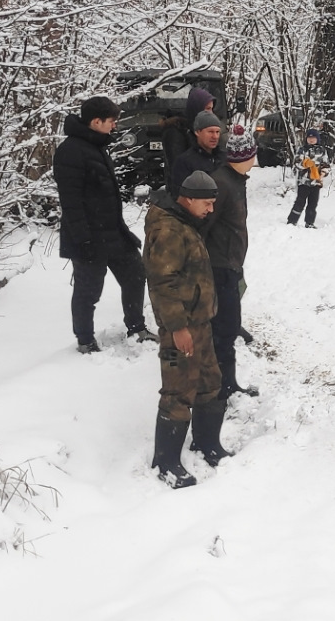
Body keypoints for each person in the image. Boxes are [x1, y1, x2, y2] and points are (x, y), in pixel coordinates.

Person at [165, 111, 261, 402]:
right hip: (219, 268)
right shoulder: (222, 185)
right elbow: (201, 227)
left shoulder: (235, 179)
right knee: (224, 330)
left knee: (227, 328)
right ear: (244, 157)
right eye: (253, 155)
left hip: (229, 264)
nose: (256, 159)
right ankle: (221, 388)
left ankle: (226, 383)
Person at [143, 170, 229, 488]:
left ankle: (206, 444)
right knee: (178, 391)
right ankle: (165, 462)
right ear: (188, 198)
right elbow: (163, 283)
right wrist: (177, 327)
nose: (210, 210)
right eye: (206, 203)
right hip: (180, 327)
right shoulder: (168, 229)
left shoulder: (184, 221)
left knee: (210, 382)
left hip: (199, 323)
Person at [52, 96, 153, 354]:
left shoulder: (97, 145)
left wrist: (121, 229)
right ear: (96, 122)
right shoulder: (71, 151)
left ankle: (137, 327)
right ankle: (85, 341)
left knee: (135, 274)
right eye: (111, 121)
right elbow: (71, 201)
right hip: (87, 237)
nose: (115, 126)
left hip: (113, 233)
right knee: (88, 293)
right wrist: (83, 240)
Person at [158, 86, 214, 181]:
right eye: (208, 109)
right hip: (187, 190)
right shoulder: (175, 132)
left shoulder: (198, 127)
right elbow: (179, 169)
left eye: (212, 109)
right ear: (197, 109)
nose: (211, 113)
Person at [287, 127, 335, 228]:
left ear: (317, 139)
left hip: (316, 183)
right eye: (309, 138)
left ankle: (309, 222)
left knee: (312, 204)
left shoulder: (322, 151)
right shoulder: (302, 150)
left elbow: (326, 165)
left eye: (313, 138)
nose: (311, 140)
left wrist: (322, 173)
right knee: (300, 202)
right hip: (303, 181)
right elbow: (296, 163)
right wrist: (304, 163)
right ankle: (292, 221)